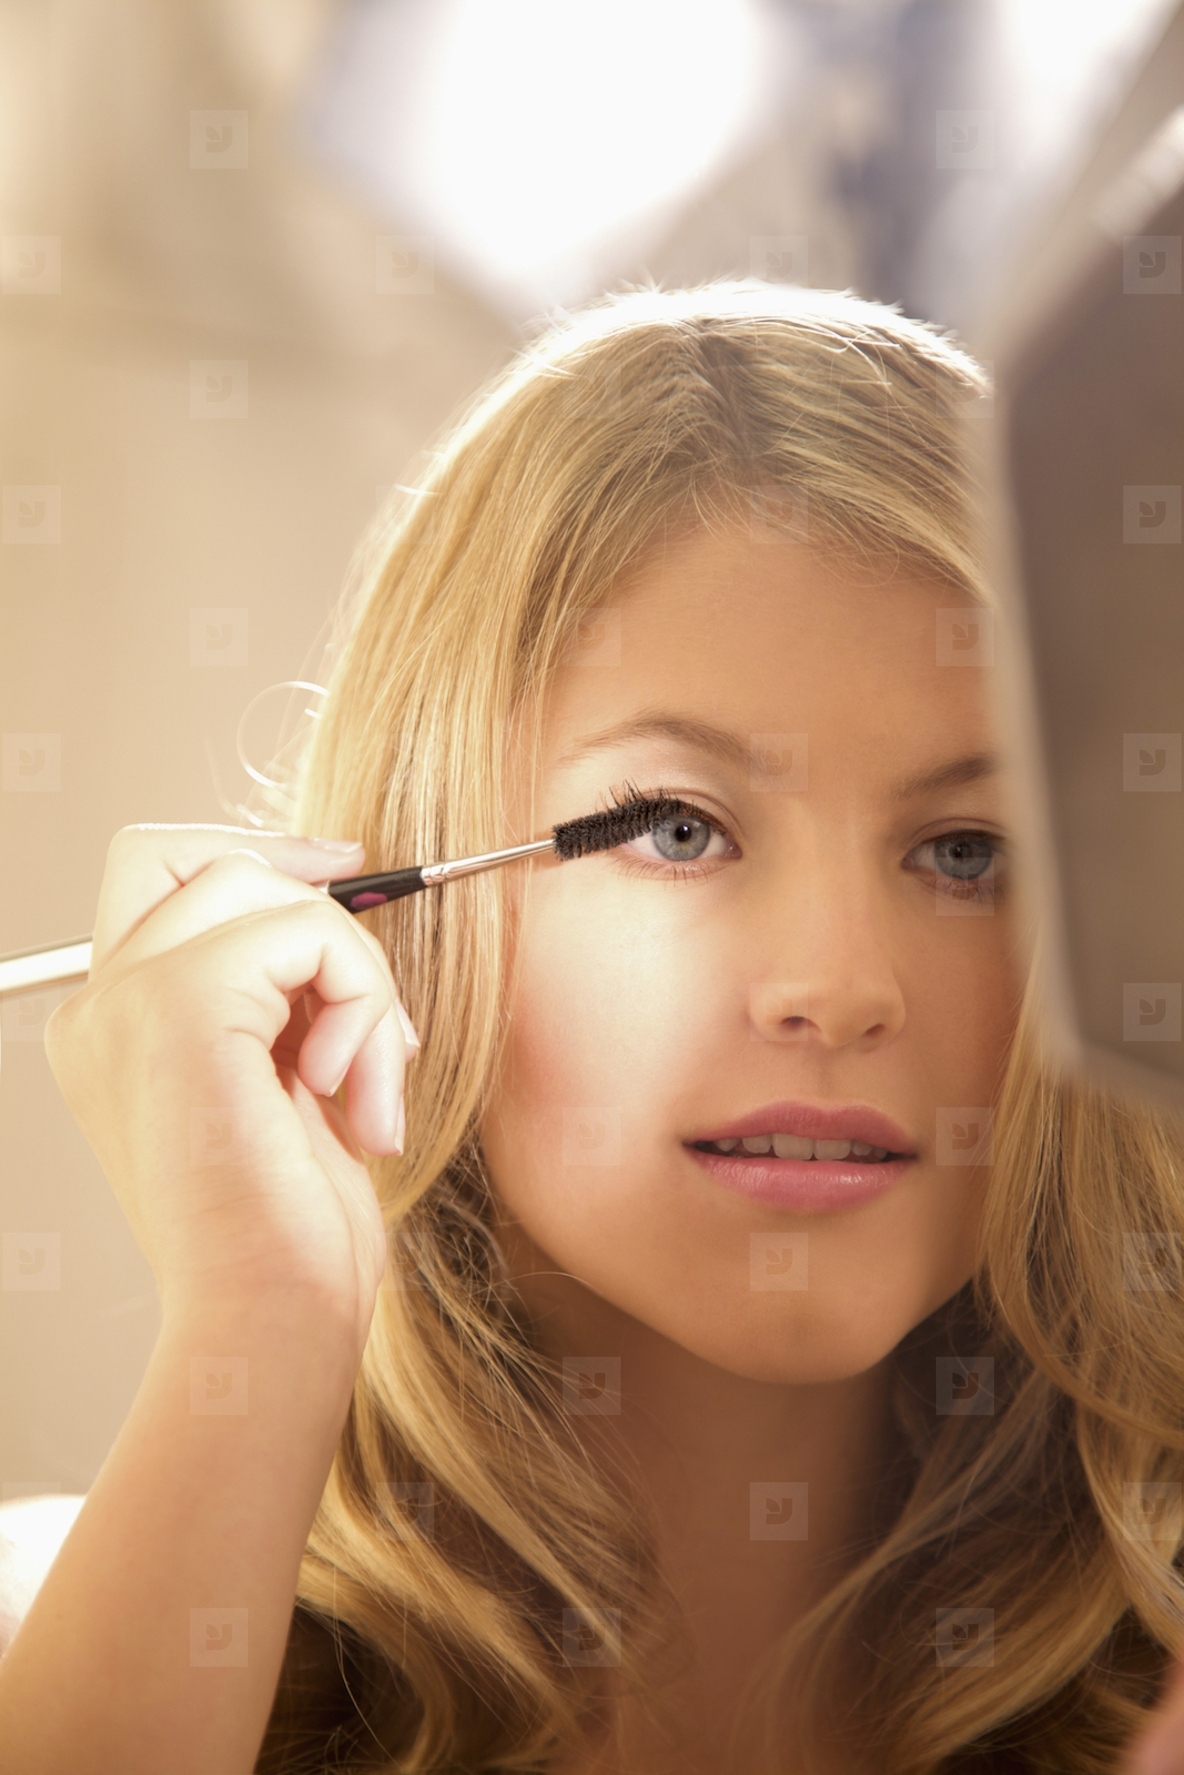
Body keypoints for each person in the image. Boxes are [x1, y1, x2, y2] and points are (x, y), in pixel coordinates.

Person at [2, 281, 1183, 1775]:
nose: (836, 986)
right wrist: (256, 1329)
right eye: (679, 831)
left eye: (967, 853)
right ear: (398, 901)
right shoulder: (61, 1649)